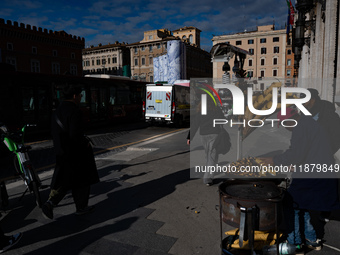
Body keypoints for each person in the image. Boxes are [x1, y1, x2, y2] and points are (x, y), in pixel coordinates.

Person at [261, 108, 339, 254]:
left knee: (292, 204)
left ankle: (294, 244)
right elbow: (303, 151)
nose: (285, 128)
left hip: (313, 174)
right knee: (303, 205)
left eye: (284, 124)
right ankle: (312, 240)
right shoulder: (308, 123)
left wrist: (274, 160)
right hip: (318, 170)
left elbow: (296, 154)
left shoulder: (301, 128)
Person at [42, 84, 99, 220]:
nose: (80, 97)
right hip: (76, 153)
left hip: (62, 152)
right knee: (82, 181)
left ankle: (50, 203)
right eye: (80, 95)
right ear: (74, 96)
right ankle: (81, 207)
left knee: (65, 180)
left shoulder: (57, 111)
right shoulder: (75, 111)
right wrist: (85, 144)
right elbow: (75, 135)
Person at [188, 95, 227, 186]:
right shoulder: (216, 110)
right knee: (212, 156)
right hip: (214, 134)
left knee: (209, 155)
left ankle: (210, 172)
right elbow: (223, 120)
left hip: (203, 136)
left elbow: (194, 125)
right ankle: (207, 178)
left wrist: (189, 137)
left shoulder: (200, 112)